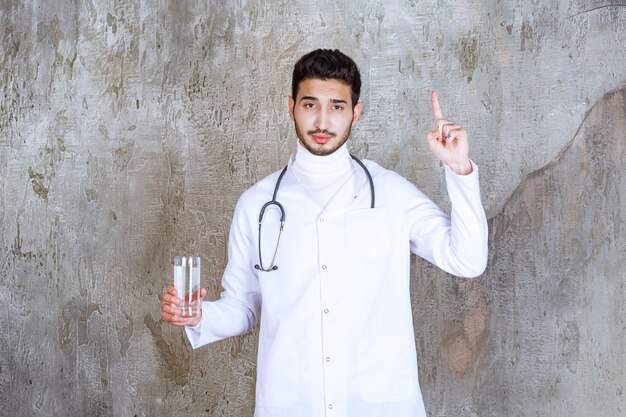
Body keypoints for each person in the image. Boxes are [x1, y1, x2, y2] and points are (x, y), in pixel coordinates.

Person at [161, 49, 488, 417]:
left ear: (355, 112)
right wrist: (198, 316)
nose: (321, 121)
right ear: (291, 107)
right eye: (310, 104)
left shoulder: (391, 194)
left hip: (380, 405)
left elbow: (468, 260)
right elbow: (243, 308)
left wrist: (459, 170)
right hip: (292, 404)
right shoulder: (257, 205)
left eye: (336, 106)